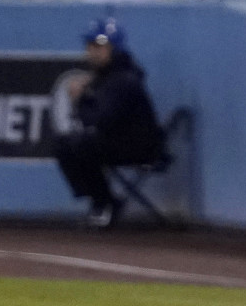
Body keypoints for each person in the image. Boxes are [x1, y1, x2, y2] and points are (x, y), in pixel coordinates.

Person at [54, 17, 165, 228]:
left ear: (114, 48)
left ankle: (105, 204)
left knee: (80, 145)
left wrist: (80, 100)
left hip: (139, 147)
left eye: (100, 46)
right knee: (68, 144)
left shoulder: (123, 79)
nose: (93, 51)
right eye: (90, 45)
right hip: (120, 141)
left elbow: (100, 120)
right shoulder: (105, 76)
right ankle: (102, 202)